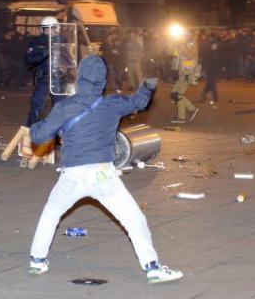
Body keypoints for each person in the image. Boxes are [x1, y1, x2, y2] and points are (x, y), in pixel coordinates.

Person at [27, 55, 183, 284]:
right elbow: (138, 102)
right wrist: (147, 87)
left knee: (51, 214)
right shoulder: (112, 104)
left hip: (72, 175)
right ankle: (152, 268)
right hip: (102, 175)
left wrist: (37, 125)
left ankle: (37, 261)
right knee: (134, 219)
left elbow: (39, 136)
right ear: (102, 80)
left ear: (80, 77)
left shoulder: (66, 106)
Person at [25, 16, 65, 126]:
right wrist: (44, 53)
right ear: (43, 30)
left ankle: (62, 133)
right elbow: (29, 59)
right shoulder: (37, 42)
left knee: (60, 106)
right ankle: (30, 130)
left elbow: (71, 59)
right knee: (36, 103)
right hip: (44, 78)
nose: (50, 31)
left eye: (53, 28)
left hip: (59, 79)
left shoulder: (64, 41)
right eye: (47, 29)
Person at [170, 38, 199, 123]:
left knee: (178, 94)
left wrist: (182, 47)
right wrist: (173, 47)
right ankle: (188, 111)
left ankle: (184, 115)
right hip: (182, 73)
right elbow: (174, 56)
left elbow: (190, 56)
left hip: (188, 73)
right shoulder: (181, 45)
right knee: (174, 94)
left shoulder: (192, 43)